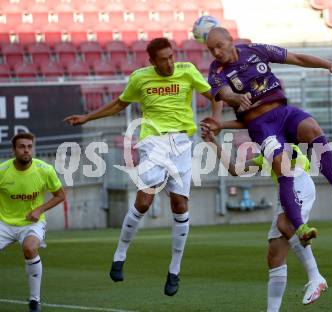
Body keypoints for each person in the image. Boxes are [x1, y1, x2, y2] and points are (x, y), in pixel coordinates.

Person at [64, 37, 221, 296]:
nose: (170, 62)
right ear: (152, 61)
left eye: (171, 56)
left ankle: (174, 270)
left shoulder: (188, 71)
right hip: (152, 140)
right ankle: (120, 253)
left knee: (180, 205)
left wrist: (217, 120)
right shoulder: (140, 78)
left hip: (182, 142)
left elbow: (215, 95)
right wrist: (87, 117)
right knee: (144, 201)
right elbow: (119, 104)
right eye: (163, 59)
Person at [205, 27, 332, 244]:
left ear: (230, 39)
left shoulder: (255, 50)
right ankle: (300, 226)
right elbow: (224, 94)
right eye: (212, 49)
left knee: (313, 129)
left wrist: (328, 64)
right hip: (260, 125)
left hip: (283, 113)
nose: (217, 52)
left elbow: (297, 57)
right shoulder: (216, 70)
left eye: (219, 46)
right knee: (281, 166)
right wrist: (236, 98)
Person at [200, 126, 327, 311]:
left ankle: (315, 276)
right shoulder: (264, 156)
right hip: (284, 193)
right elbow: (235, 170)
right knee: (274, 256)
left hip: (298, 181)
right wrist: (213, 143)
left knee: (283, 223)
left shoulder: (283, 143)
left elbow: (288, 151)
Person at [0, 133, 65, 312]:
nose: (26, 150)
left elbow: (60, 196)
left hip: (31, 224)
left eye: (29, 146)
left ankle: (34, 300)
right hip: (4, 224)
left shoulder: (45, 170)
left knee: (29, 248)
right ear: (13, 150)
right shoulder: (2, 171)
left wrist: (39, 209)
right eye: (21, 146)